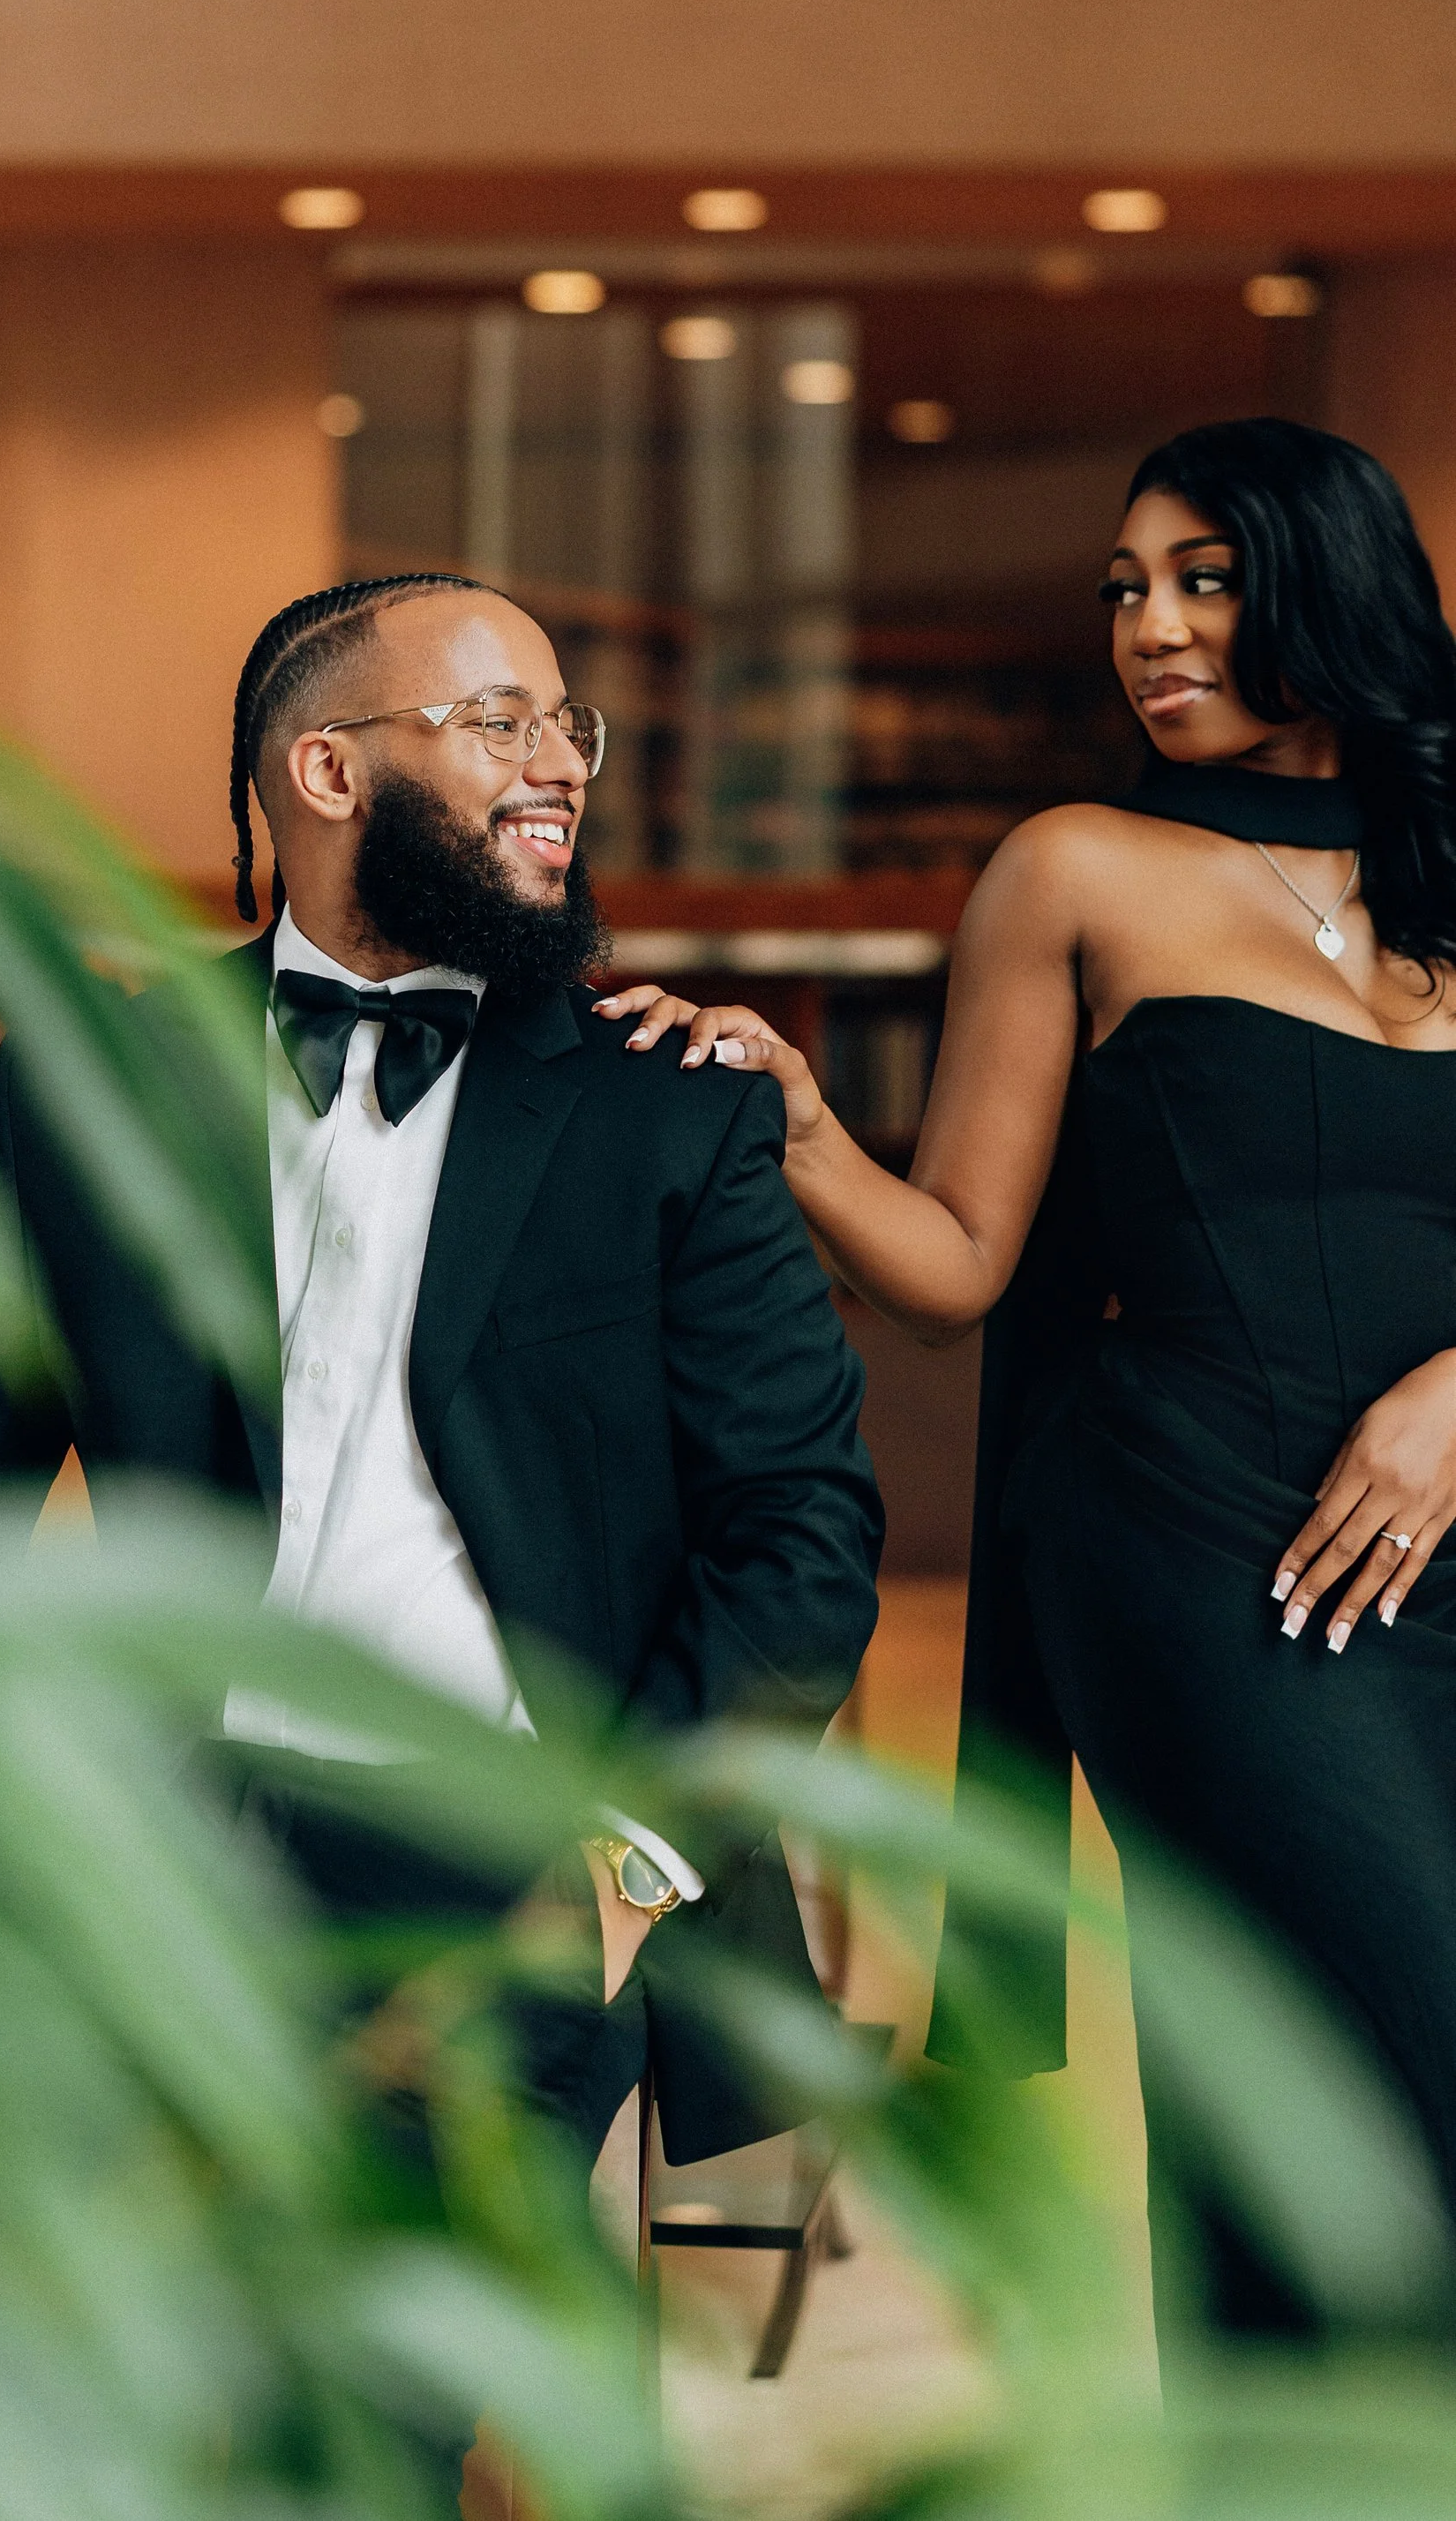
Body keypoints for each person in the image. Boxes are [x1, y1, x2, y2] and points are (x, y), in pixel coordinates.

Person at [0, 566, 883, 2188]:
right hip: (163, 1850)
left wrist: (617, 1874)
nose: (559, 765)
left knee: (385, 2408)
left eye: (570, 727)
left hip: (509, 1868)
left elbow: (803, 1529)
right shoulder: (99, 1077)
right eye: (499, 722)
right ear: (327, 771)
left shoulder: (665, 1110)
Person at [604, 418, 1456, 2332]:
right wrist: (805, 1120)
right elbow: (954, 1269)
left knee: (1288, 2094)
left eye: (1200, 580)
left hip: (1437, 1527)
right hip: (1202, 1554)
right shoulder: (1073, 867)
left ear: (1326, 581)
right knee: (1397, 2039)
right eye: (1121, 593)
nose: (1147, 630)